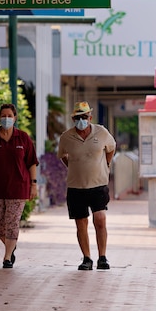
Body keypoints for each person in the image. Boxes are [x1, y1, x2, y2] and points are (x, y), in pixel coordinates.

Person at [0, 103, 39, 269]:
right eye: (3, 116)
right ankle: (11, 245)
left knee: (12, 223)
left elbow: (32, 162)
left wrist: (34, 184)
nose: (6, 119)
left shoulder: (23, 138)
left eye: (10, 116)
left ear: (15, 118)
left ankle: (7, 257)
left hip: (18, 188)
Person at [56, 101, 116, 270]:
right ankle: (87, 258)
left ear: (90, 117)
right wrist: (73, 167)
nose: (81, 120)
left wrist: (107, 163)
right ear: (73, 119)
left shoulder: (102, 132)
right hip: (76, 187)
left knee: (100, 220)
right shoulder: (66, 137)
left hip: (98, 184)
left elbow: (111, 148)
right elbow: (62, 155)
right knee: (81, 223)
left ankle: (102, 257)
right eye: (77, 117)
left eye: (84, 117)